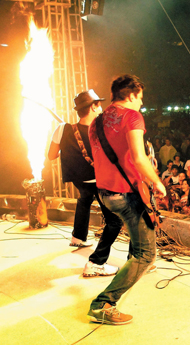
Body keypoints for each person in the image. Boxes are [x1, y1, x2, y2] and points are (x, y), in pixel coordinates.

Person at [87, 74, 166, 325]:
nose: (141, 103)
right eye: (140, 98)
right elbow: (139, 158)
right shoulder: (132, 116)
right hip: (125, 194)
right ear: (130, 95)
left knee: (138, 242)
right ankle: (103, 304)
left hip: (105, 194)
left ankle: (115, 288)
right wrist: (157, 181)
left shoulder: (95, 122)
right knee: (146, 254)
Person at [48, 89, 123, 277]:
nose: (101, 108)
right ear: (92, 107)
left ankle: (78, 237)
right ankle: (96, 263)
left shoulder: (63, 129)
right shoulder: (101, 131)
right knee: (115, 221)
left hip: (79, 180)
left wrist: (66, 147)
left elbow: (51, 156)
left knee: (85, 198)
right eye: (98, 105)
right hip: (99, 181)